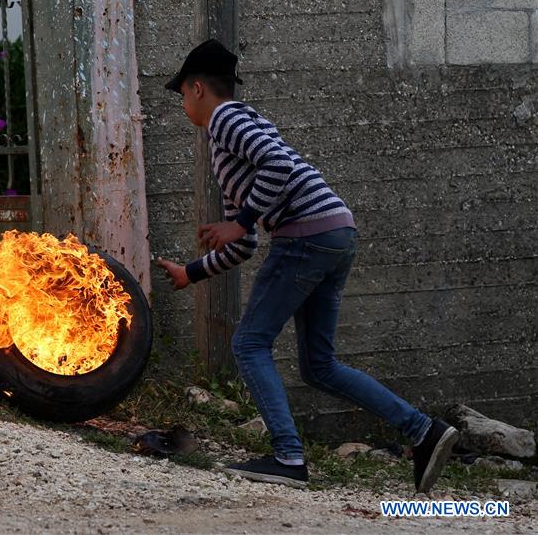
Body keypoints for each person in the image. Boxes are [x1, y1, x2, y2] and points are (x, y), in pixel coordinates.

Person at [155, 39, 459, 492]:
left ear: (197, 88)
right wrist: (192, 271)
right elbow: (248, 241)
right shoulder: (236, 136)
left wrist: (238, 221)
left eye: (181, 95)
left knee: (249, 344)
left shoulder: (225, 119)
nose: (183, 105)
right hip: (335, 231)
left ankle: (288, 457)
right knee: (319, 366)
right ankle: (422, 430)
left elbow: (275, 171)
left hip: (308, 234)